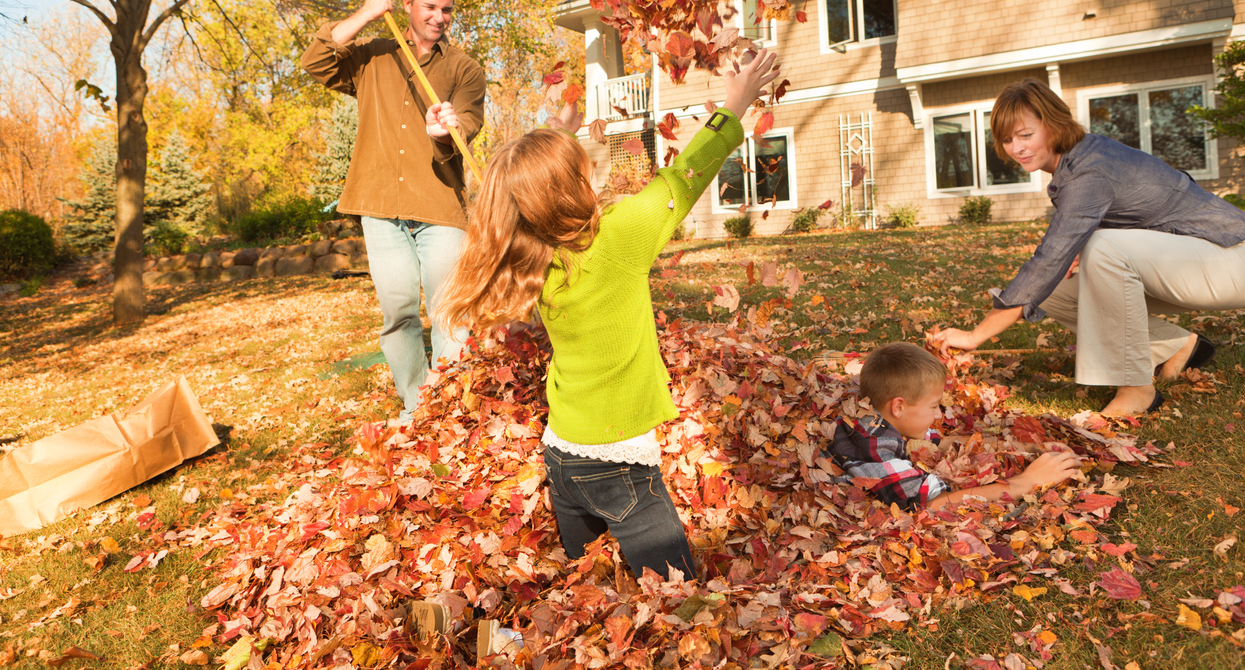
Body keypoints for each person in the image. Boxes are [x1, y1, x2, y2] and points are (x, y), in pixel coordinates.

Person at [437, 49, 782, 581]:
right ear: (576, 187)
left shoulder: (529, 257)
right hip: (619, 465)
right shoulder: (619, 236)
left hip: (563, 459)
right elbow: (688, 175)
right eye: (583, 166)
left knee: (589, 588)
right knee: (677, 592)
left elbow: (525, 188)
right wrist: (736, 101)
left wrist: (559, 130)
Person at [932, 78, 1245, 416]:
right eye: (1007, 139)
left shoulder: (1087, 171)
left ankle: (1137, 389)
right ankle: (1174, 346)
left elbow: (1050, 258)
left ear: (1053, 124)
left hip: (1232, 256)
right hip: (1198, 259)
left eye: (1026, 135)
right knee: (1055, 290)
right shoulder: (1080, 157)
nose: (1016, 148)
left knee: (1100, 248)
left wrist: (975, 335)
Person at [302, 0, 485, 420]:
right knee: (399, 314)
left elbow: (468, 121)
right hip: (380, 206)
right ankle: (417, 406)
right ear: (407, 4)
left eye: (447, 10)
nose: (440, 17)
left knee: (450, 313)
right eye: (430, 6)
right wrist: (365, 13)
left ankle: (451, 408)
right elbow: (315, 62)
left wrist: (445, 130)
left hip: (440, 207)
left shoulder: (465, 69)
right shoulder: (374, 55)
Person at [830, 343, 1081, 510]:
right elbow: (937, 504)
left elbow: (938, 441)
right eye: (933, 406)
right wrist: (1026, 482)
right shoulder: (875, 447)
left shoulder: (883, 416)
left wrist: (1028, 448)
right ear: (898, 406)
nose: (938, 415)